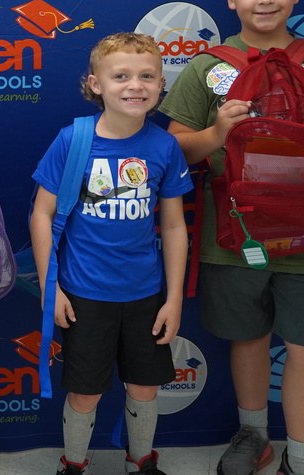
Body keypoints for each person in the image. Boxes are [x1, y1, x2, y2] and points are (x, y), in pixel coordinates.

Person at [159, 0, 304, 475]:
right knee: (248, 338)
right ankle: (255, 435)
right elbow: (173, 147)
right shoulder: (209, 66)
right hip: (236, 233)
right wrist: (216, 131)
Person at [29, 32, 191, 475]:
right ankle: (74, 464)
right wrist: (51, 287)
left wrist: (173, 298)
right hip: (84, 295)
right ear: (96, 84)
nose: (134, 85)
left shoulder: (163, 146)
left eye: (146, 76)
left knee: (144, 388)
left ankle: (141, 462)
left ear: (160, 85)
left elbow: (174, 225)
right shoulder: (72, 139)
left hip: (145, 295)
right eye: (120, 76)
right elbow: (41, 215)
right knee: (85, 392)